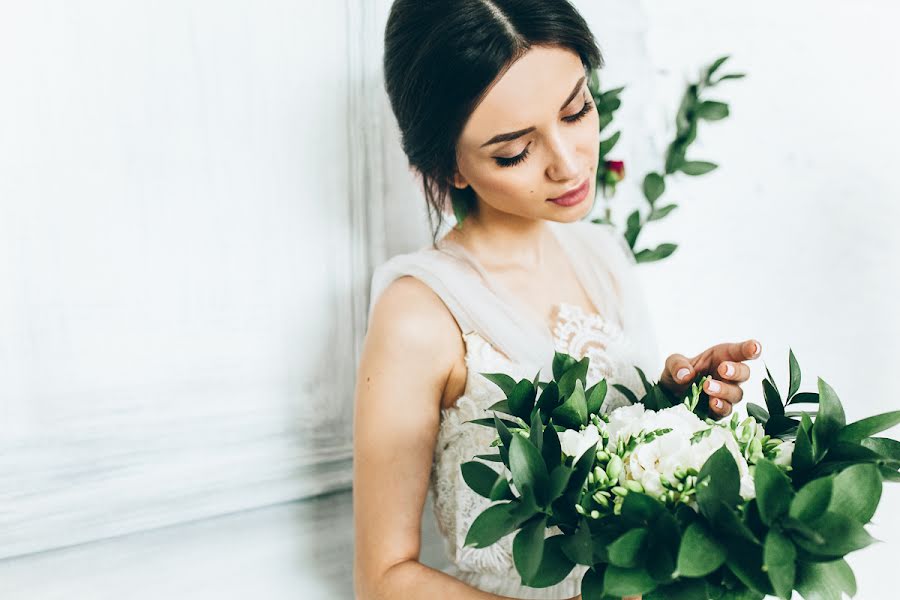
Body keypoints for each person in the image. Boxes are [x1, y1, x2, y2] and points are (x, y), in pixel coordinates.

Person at [353, 1, 760, 598]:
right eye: (514, 152)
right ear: (449, 165)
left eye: (577, 111)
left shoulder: (604, 256)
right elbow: (382, 578)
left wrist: (676, 411)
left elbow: (607, 493)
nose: (569, 164)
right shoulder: (419, 315)